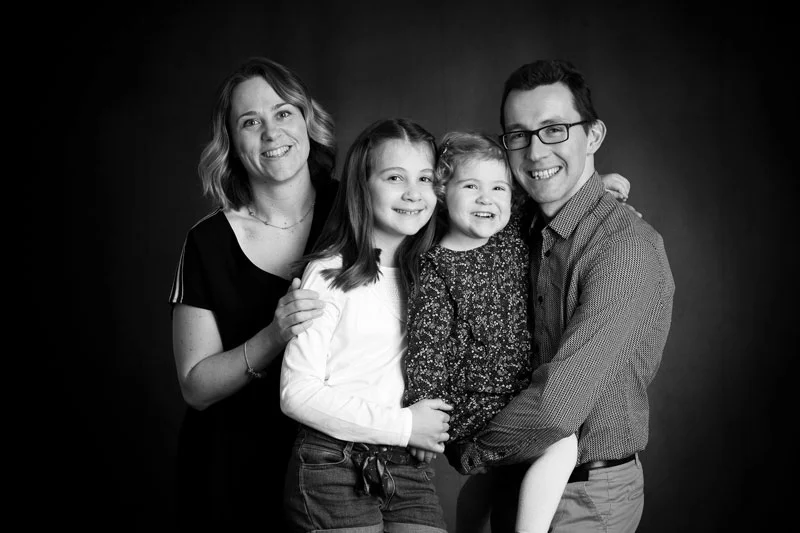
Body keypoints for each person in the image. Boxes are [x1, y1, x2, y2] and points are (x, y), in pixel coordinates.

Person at [448, 59, 675, 532]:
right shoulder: (516, 224)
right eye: (519, 135)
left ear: (592, 137)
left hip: (586, 496)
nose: (534, 152)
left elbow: (558, 404)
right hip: (514, 480)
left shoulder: (625, 246)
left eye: (554, 130)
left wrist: (471, 450)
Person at [404, 131, 630, 533]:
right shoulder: (436, 268)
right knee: (561, 441)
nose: (486, 199)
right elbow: (427, 351)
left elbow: (551, 196)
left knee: (498, 478)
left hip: (514, 393)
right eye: (470, 186)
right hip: (473, 404)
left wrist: (598, 188)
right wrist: (425, 417)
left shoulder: (509, 236)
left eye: (498, 188)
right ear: (441, 192)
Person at [167, 57, 337, 531]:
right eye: (250, 121)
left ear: (308, 121)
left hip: (337, 468)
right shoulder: (207, 242)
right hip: (230, 472)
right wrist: (273, 335)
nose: (271, 132)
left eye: (283, 113)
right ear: (231, 143)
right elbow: (195, 387)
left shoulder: (356, 214)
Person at [279, 118, 454, 533]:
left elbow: (488, 204)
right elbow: (295, 393)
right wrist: (407, 424)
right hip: (331, 462)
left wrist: (591, 192)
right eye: (395, 177)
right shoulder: (329, 275)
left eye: (425, 178)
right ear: (363, 185)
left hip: (404, 463)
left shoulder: (431, 274)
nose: (413, 193)